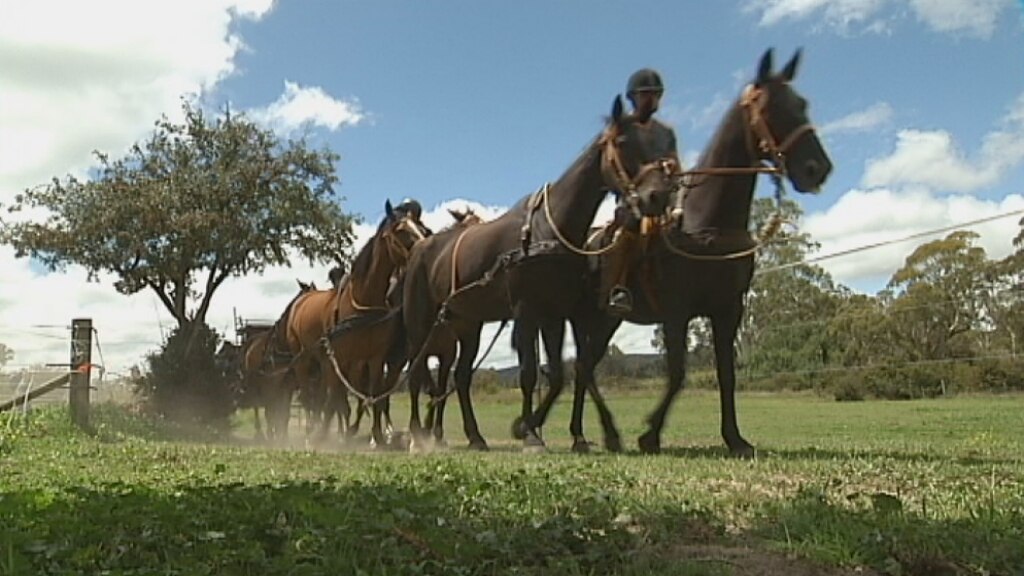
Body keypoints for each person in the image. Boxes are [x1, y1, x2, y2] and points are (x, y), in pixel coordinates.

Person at [602, 68, 681, 316]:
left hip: (664, 200)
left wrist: (672, 171)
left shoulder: (666, 133)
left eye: (656, 95)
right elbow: (615, 167)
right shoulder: (624, 130)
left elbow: (677, 167)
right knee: (626, 234)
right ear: (633, 98)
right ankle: (619, 288)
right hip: (633, 201)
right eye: (646, 94)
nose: (652, 99)